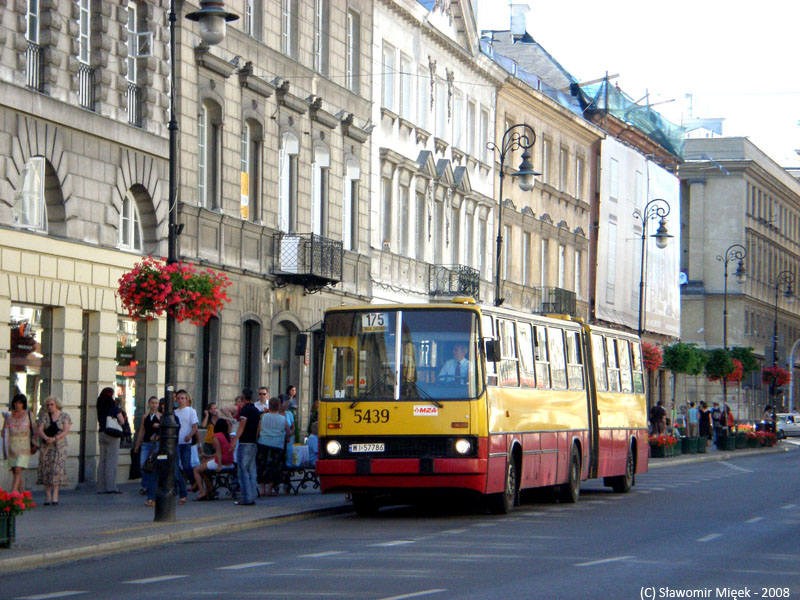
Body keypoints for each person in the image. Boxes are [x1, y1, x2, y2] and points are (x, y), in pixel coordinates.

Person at [37, 396, 71, 505]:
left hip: (59, 446)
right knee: (46, 468)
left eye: (51, 404)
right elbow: (40, 429)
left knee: (56, 469)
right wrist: (46, 438)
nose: (50, 407)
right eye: (48, 405)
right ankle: (47, 495)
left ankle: (55, 494)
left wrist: (55, 438)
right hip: (47, 446)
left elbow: (66, 431)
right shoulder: (45, 416)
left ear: (56, 404)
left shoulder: (64, 416)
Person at [256, 397, 290, 497]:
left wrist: (257, 438)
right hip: (277, 445)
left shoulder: (263, 417)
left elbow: (258, 431)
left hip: (263, 443)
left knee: (262, 465)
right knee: (274, 467)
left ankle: (262, 488)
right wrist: (291, 431)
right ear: (279, 406)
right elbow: (288, 432)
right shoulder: (283, 419)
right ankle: (269, 489)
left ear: (269, 406)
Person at [3, 393, 36, 493]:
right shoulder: (9, 415)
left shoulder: (29, 414)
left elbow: (35, 430)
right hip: (11, 446)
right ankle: (22, 494)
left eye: (20, 402)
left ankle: (12, 494)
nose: (17, 404)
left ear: (24, 404)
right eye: (16, 402)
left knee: (18, 469)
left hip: (24, 446)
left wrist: (34, 444)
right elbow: (4, 432)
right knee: (15, 471)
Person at [193, 418, 233, 500]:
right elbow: (223, 451)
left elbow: (218, 453)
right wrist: (208, 456)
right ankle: (209, 489)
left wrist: (219, 466)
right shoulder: (228, 437)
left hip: (222, 462)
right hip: (229, 461)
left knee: (196, 470)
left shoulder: (216, 437)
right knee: (204, 466)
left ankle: (201, 491)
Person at [233, 388, 259, 505]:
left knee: (243, 471)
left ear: (243, 398)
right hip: (253, 442)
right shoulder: (256, 410)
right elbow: (258, 428)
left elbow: (241, 427)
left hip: (244, 443)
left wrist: (234, 441)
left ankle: (245, 497)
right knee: (252, 471)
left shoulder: (245, 410)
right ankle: (252, 495)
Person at [96, 387, 125, 494]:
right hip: (112, 434)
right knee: (111, 461)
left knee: (102, 461)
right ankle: (111, 487)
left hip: (102, 433)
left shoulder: (99, 405)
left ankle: (100, 487)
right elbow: (121, 420)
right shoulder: (113, 407)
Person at [133, 396, 161, 506]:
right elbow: (142, 430)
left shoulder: (160, 416)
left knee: (152, 466)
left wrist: (157, 437)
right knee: (143, 465)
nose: (154, 405)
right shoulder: (145, 416)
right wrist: (137, 444)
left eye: (156, 403)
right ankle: (145, 486)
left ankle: (150, 487)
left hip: (155, 444)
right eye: (152, 403)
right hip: (145, 444)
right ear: (149, 404)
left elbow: (161, 430)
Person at [174, 389, 199, 501]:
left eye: (182, 398)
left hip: (186, 442)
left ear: (186, 399)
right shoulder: (174, 412)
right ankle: (180, 488)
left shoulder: (191, 411)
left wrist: (190, 435)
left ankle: (194, 482)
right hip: (176, 442)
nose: (180, 400)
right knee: (176, 467)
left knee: (186, 465)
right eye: (178, 398)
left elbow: (195, 426)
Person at [280, 395, 296, 468]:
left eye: (288, 403)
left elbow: (293, 426)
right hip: (280, 438)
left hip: (289, 438)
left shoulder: (289, 413)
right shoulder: (276, 414)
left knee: (289, 454)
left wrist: (290, 435)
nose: (287, 405)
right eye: (285, 403)